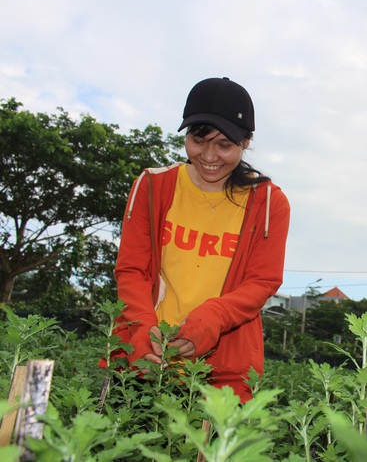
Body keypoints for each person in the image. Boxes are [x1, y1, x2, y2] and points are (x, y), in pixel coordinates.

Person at [110, 77, 290, 402]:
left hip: (222, 374)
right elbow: (132, 271)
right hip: (146, 358)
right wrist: (141, 328)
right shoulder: (153, 187)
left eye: (224, 145)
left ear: (246, 142)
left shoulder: (268, 204)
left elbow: (262, 282)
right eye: (198, 140)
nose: (209, 156)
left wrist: (212, 317)